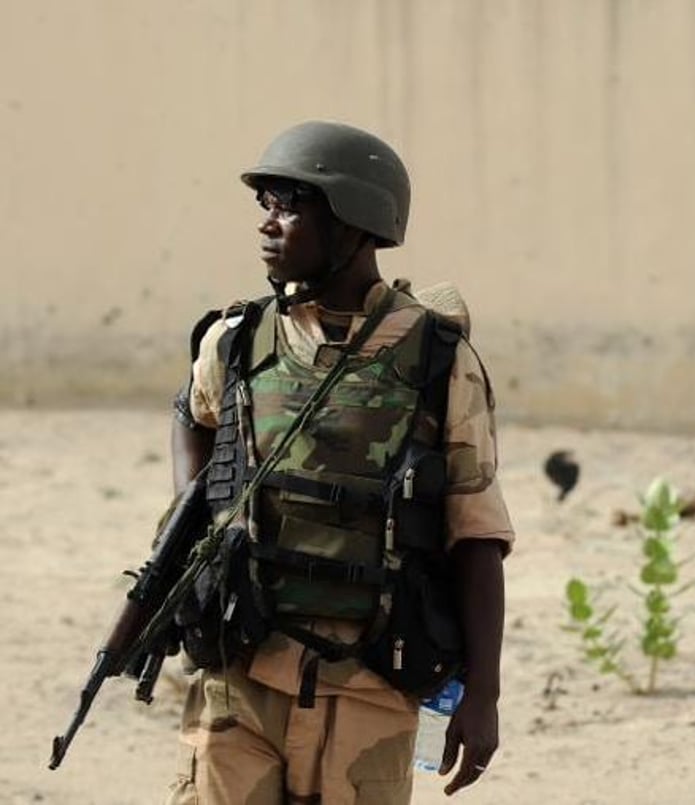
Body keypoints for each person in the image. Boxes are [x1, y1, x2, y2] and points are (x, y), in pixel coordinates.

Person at [167, 120, 513, 803]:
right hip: (240, 677)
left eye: (290, 205)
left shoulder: (437, 361)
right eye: (264, 205)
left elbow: (476, 534)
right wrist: (200, 521)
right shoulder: (237, 341)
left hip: (370, 686)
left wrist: (484, 695)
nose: (268, 225)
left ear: (355, 223)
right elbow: (191, 414)